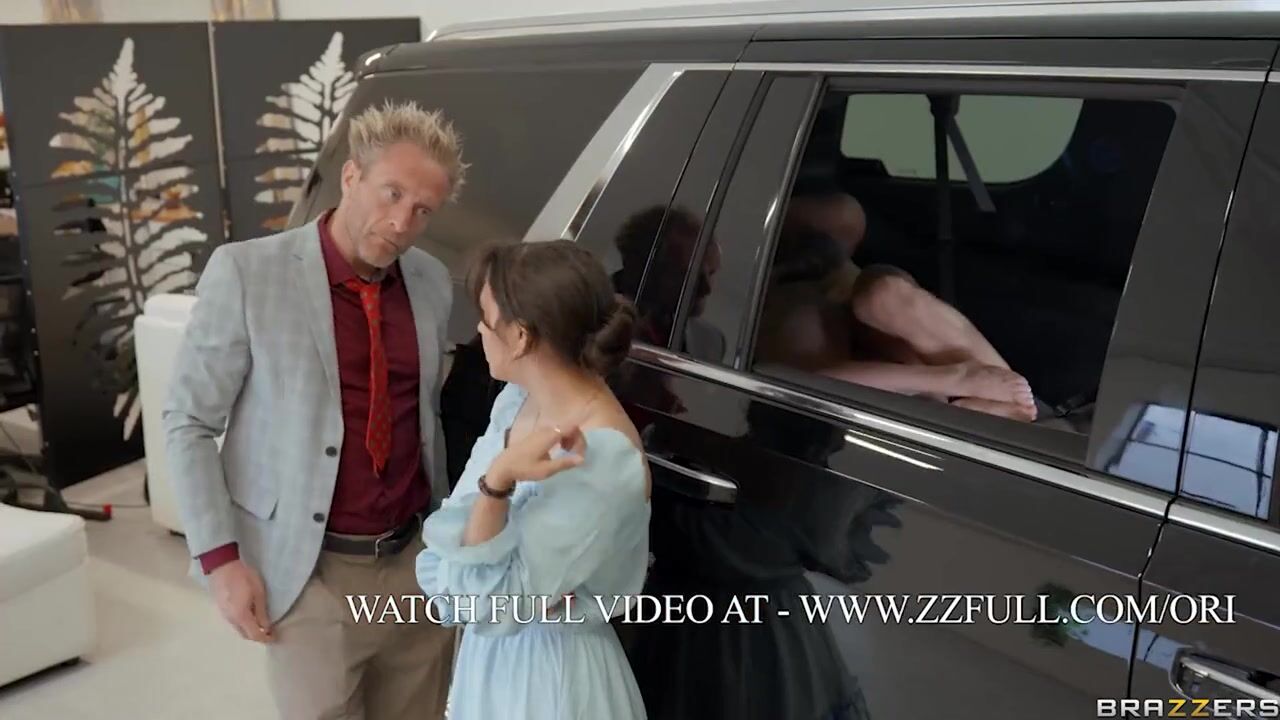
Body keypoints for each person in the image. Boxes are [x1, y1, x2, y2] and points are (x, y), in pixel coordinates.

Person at [164, 100, 465, 719]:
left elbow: (426, 417)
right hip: (309, 571)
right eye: (391, 193)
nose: (401, 222)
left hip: (415, 565)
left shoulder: (431, 281)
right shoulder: (248, 273)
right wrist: (221, 560)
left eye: (422, 209)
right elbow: (189, 422)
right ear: (351, 176)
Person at [416, 240, 651, 720]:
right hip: (492, 659)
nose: (478, 330)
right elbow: (446, 562)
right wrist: (477, 556)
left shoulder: (602, 456)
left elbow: (488, 604)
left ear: (521, 336)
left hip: (549, 678)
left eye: (485, 318)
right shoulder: (516, 401)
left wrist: (497, 483)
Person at [758, 189, 1037, 422]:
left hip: (848, 290)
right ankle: (990, 405)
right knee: (811, 334)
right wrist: (952, 378)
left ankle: (1010, 412)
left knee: (882, 297)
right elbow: (808, 386)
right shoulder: (795, 303)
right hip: (797, 300)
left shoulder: (836, 222)